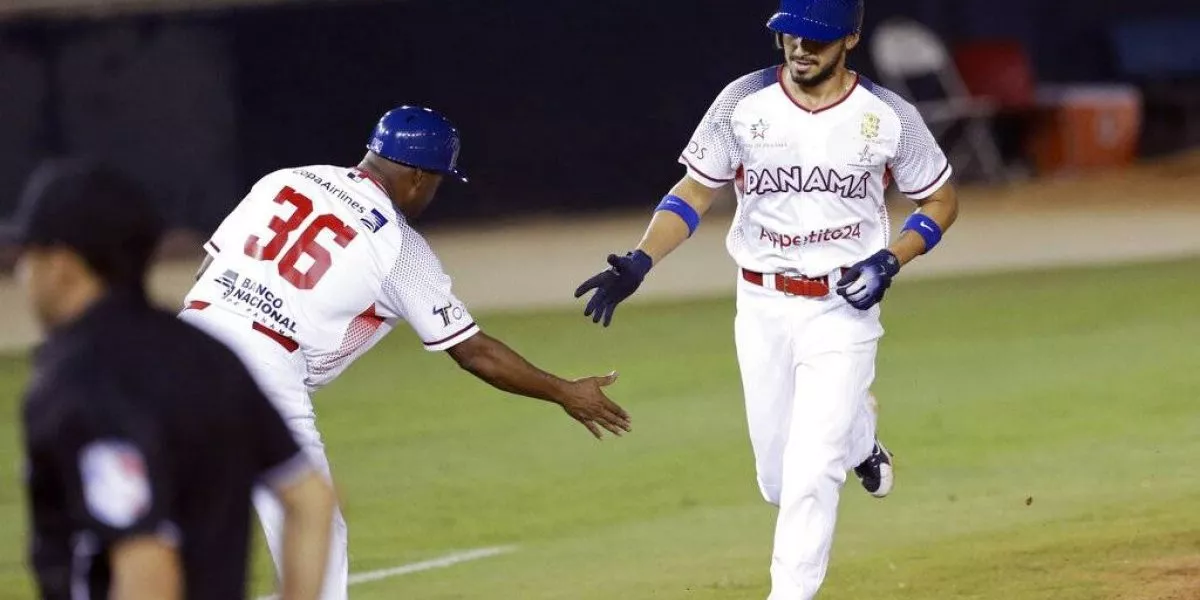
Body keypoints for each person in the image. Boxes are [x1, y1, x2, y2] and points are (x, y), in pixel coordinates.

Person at [574, 0, 960, 597]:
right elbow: (695, 191)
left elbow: (940, 201)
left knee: (811, 476)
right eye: (790, 37)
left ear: (852, 38)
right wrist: (641, 259)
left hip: (843, 308)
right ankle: (861, 433)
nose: (799, 49)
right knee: (778, 482)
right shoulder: (743, 101)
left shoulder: (888, 116)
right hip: (761, 307)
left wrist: (890, 259)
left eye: (816, 39)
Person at [179, 105, 632, 599]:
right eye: (437, 180)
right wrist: (565, 392)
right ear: (417, 176)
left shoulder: (284, 180)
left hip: (183, 341)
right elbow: (473, 351)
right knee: (312, 523)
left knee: (163, 511)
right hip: (262, 368)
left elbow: (210, 269)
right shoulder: (397, 245)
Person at [8, 160, 336, 600]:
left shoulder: (78, 381)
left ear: (63, 264)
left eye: (28, 256)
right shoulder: (210, 355)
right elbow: (311, 499)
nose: (21, 275)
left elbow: (146, 560)